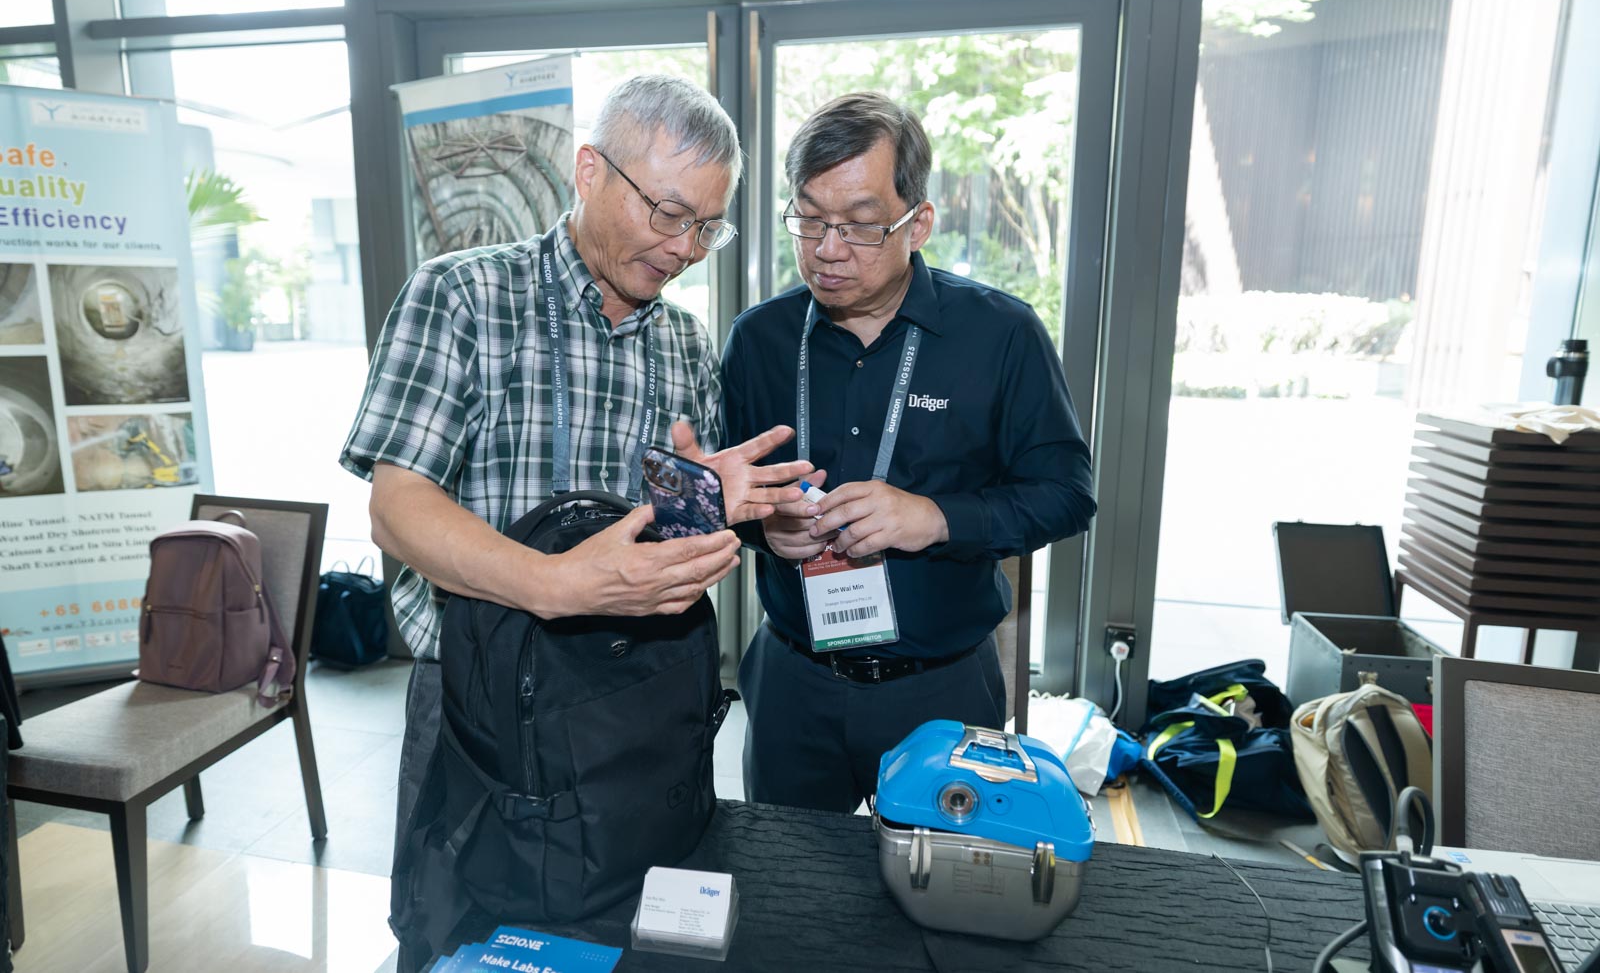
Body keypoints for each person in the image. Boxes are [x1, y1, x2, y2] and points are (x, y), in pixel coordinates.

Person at [339, 75, 809, 895]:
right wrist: (554, 584)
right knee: (467, 918)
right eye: (667, 213)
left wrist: (713, 508)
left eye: (707, 227)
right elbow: (398, 507)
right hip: (477, 698)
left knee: (632, 910)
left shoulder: (685, 344)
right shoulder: (464, 297)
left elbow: (660, 531)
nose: (683, 249)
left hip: (636, 693)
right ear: (589, 171)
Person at [720, 91, 1097, 813]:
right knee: (783, 873)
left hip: (941, 687)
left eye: (861, 225)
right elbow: (731, 497)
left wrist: (935, 518)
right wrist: (763, 528)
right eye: (809, 219)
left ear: (917, 222)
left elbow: (1067, 495)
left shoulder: (1001, 336)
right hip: (793, 681)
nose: (828, 249)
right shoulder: (759, 341)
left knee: (948, 876)